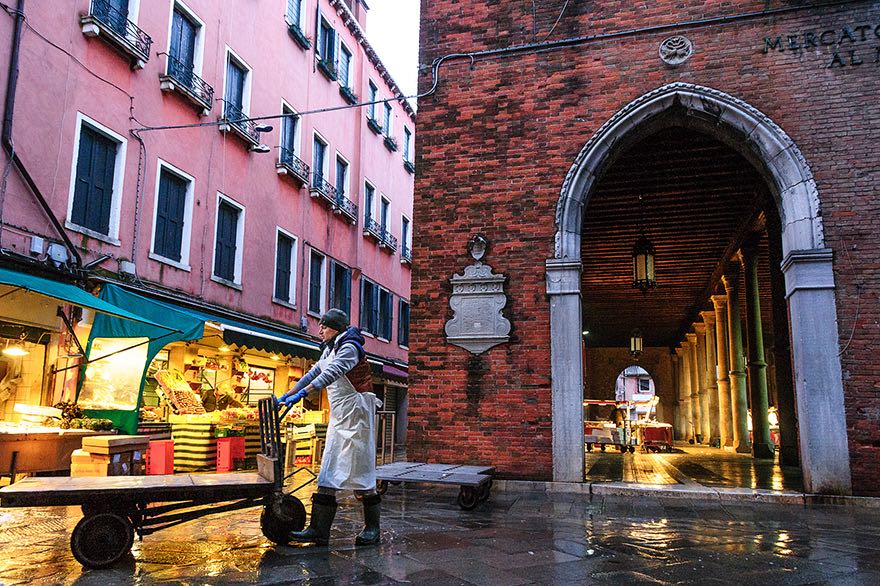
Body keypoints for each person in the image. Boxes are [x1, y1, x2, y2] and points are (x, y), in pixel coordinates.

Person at [278, 309, 381, 546]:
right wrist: (288, 394)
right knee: (327, 472)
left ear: (335, 327)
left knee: (362, 472)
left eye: (324, 325)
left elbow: (332, 373)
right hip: (339, 417)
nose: (320, 329)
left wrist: (304, 394)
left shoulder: (350, 347)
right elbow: (313, 373)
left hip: (356, 415)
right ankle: (318, 530)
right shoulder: (329, 349)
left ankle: (372, 528)